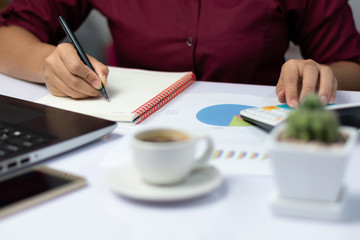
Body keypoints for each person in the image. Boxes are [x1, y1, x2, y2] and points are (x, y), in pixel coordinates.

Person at [0, 0, 359, 108]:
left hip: (255, 133)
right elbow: (9, 35)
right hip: (129, 136)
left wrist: (320, 76)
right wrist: (47, 63)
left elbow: (351, 65)